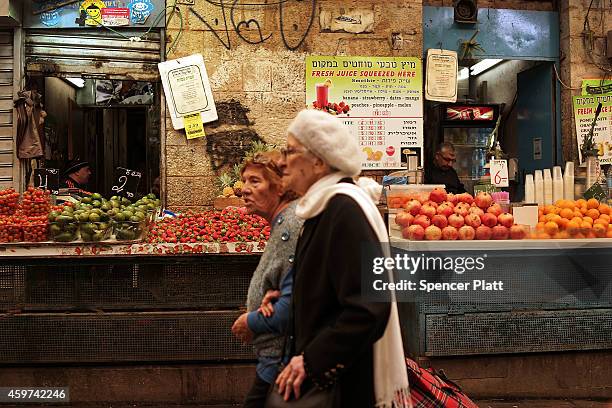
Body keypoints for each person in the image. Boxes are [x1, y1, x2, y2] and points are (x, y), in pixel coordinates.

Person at [273, 110, 409, 407]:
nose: (282, 161)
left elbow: (370, 306)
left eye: (290, 151)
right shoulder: (321, 207)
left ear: (319, 162)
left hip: (344, 387)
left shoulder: (344, 210)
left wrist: (311, 360)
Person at [230, 151, 303, 408]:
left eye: (254, 181)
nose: (244, 190)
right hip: (275, 358)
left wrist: (249, 321)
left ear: (280, 186)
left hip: (281, 361)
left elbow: (294, 304)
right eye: (244, 181)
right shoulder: (283, 222)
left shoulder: (290, 226)